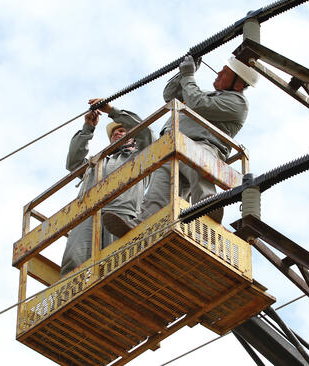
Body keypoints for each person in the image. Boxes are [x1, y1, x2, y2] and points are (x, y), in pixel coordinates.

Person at [103, 55, 258, 238]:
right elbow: (169, 95)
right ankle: (141, 228)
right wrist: (183, 73)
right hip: (172, 147)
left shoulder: (238, 103)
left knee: (197, 160)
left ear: (238, 85)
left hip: (202, 146)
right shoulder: (204, 93)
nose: (218, 73)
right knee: (157, 193)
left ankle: (208, 203)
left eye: (225, 73)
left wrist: (189, 75)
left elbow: (198, 103)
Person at [60, 98, 153, 277]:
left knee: (116, 265)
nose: (118, 134)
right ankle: (70, 302)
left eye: (123, 130)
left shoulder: (144, 157)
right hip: (87, 215)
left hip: (121, 215)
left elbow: (146, 132)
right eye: (115, 132)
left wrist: (112, 111)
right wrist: (88, 128)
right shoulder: (98, 164)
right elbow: (73, 163)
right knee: (74, 260)